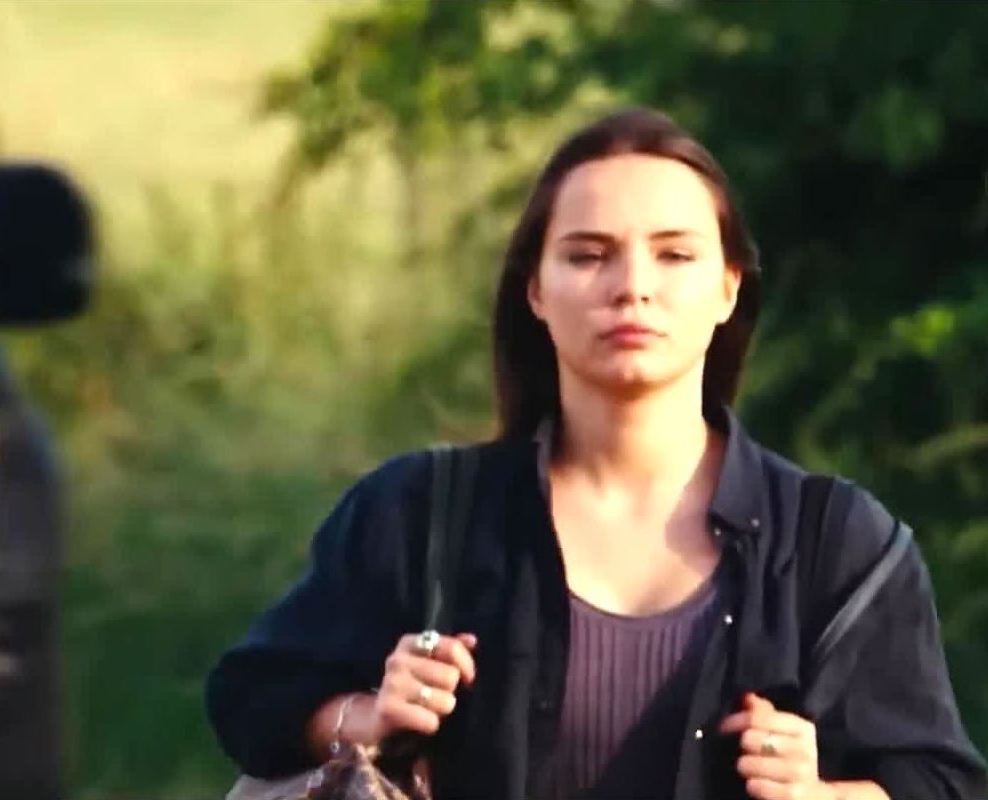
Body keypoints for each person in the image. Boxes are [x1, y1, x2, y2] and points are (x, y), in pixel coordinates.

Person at [204, 108, 987, 800]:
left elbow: (942, 781)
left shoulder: (835, 544)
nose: (631, 286)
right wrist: (368, 717)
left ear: (727, 287)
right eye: (586, 255)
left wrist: (819, 794)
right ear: (534, 291)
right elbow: (250, 699)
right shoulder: (419, 512)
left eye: (674, 255)